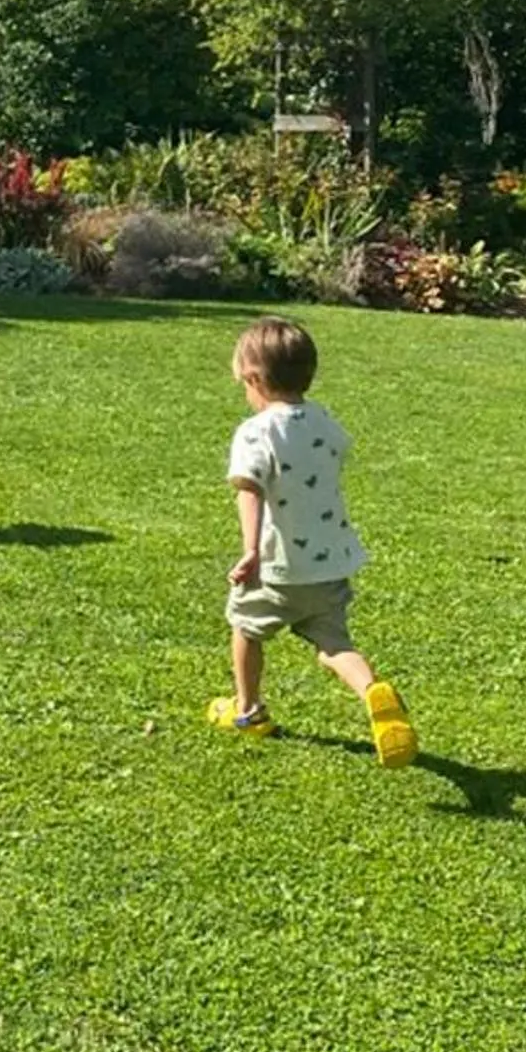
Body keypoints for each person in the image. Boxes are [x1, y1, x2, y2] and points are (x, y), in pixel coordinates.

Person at [206, 316, 417, 767]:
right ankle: (373, 692)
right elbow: (339, 449)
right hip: (328, 562)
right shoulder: (322, 420)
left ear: (256, 380)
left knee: (245, 627)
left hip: (277, 565)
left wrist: (250, 551)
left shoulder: (256, 431)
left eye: (243, 383)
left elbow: (250, 489)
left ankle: (248, 711)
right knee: (334, 645)